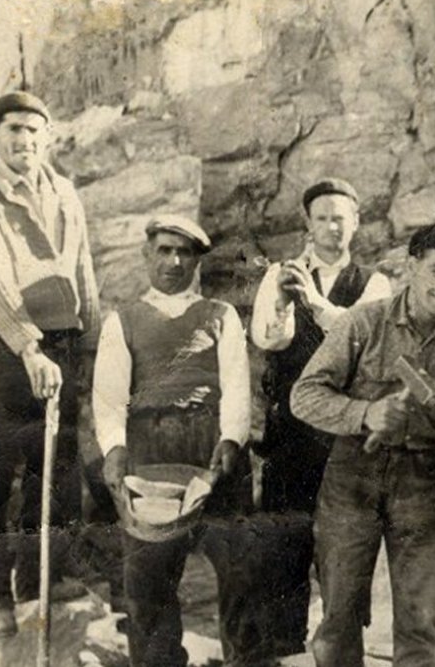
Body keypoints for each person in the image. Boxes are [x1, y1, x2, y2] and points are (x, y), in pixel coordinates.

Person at [291, 223, 435, 667]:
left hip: (423, 481)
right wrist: (364, 413)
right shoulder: (362, 323)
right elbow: (303, 396)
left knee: (423, 620)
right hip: (352, 475)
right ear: (411, 265)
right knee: (340, 614)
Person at [0, 91, 100, 637]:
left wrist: (91, 345)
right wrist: (28, 347)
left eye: (34, 131)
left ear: (48, 137)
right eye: (14, 129)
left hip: (59, 345)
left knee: (56, 468)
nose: (25, 140)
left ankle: (45, 579)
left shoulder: (64, 192)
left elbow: (82, 273)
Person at [94, 216, 255, 666]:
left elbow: (237, 384)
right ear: (147, 255)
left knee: (240, 565)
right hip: (150, 451)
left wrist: (231, 439)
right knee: (147, 576)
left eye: (184, 252)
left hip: (211, 446)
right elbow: (109, 396)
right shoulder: (122, 321)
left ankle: (247, 660)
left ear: (197, 261)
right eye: (164, 250)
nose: (174, 261)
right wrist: (115, 449)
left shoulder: (221, 316)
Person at [247, 178, 391, 658]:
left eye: (340, 219)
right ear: (307, 224)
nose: (332, 227)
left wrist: (314, 302)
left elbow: (363, 344)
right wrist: (284, 302)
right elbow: (268, 340)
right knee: (282, 563)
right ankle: (285, 656)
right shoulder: (279, 275)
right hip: (290, 442)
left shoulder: (374, 284)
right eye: (322, 218)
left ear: (356, 223)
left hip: (346, 444)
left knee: (344, 567)